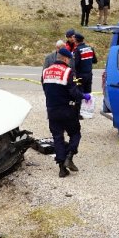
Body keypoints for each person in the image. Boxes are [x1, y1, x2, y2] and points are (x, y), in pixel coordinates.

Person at [42, 48, 89, 177]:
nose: (69, 62)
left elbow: (45, 89)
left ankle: (62, 169)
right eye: (69, 59)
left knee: (58, 138)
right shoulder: (67, 71)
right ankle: (70, 155)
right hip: (67, 110)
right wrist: (84, 96)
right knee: (75, 133)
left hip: (52, 110)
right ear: (65, 58)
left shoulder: (46, 71)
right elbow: (72, 91)